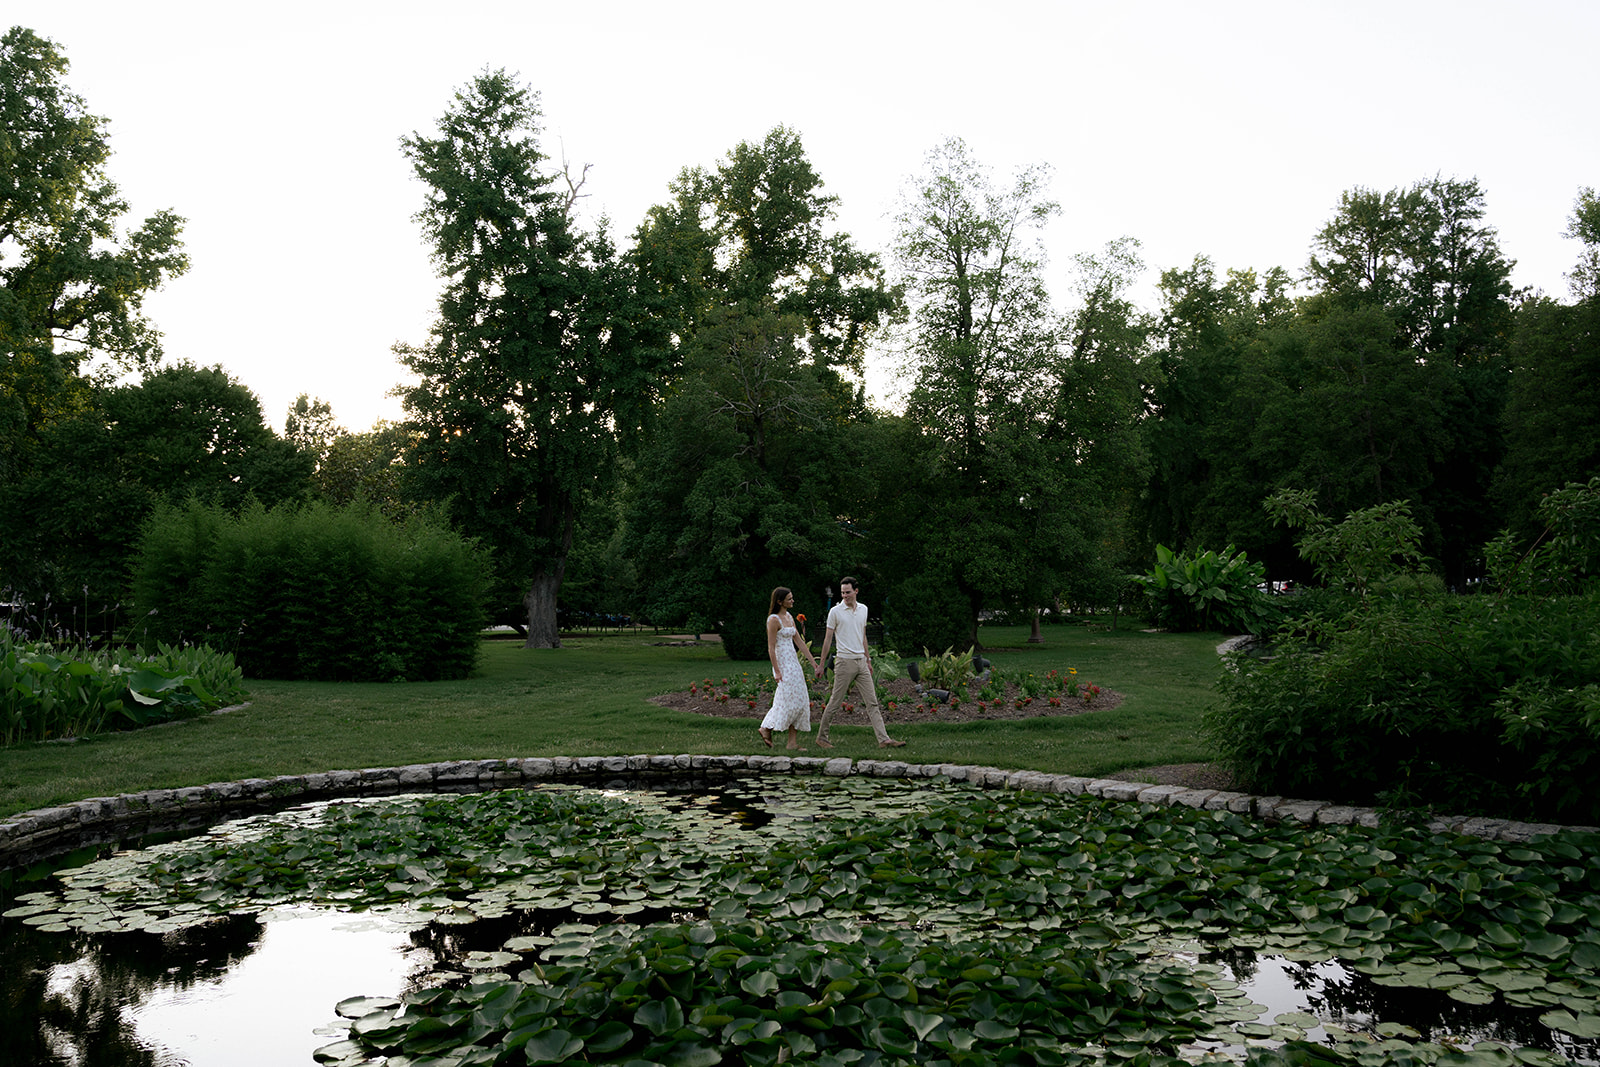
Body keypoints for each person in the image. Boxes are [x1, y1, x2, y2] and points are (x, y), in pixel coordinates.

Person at [813, 576, 904, 749]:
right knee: (835, 701)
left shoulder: (863, 609)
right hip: (844, 662)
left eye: (848, 592)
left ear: (856, 591)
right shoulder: (835, 612)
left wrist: (868, 660)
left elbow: (862, 636)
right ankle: (821, 738)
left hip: (861, 662)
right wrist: (821, 664)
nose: (845, 596)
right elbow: (827, 639)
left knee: (873, 702)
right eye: (842, 593)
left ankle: (884, 740)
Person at [758, 587, 820, 750]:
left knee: (799, 699)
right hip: (782, 665)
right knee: (787, 699)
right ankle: (766, 727)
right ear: (780, 601)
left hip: (793, 663)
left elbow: (799, 642)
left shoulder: (789, 616)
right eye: (789, 598)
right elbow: (771, 648)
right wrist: (777, 670)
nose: (793, 601)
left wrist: (813, 662)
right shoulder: (773, 620)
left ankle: (791, 743)